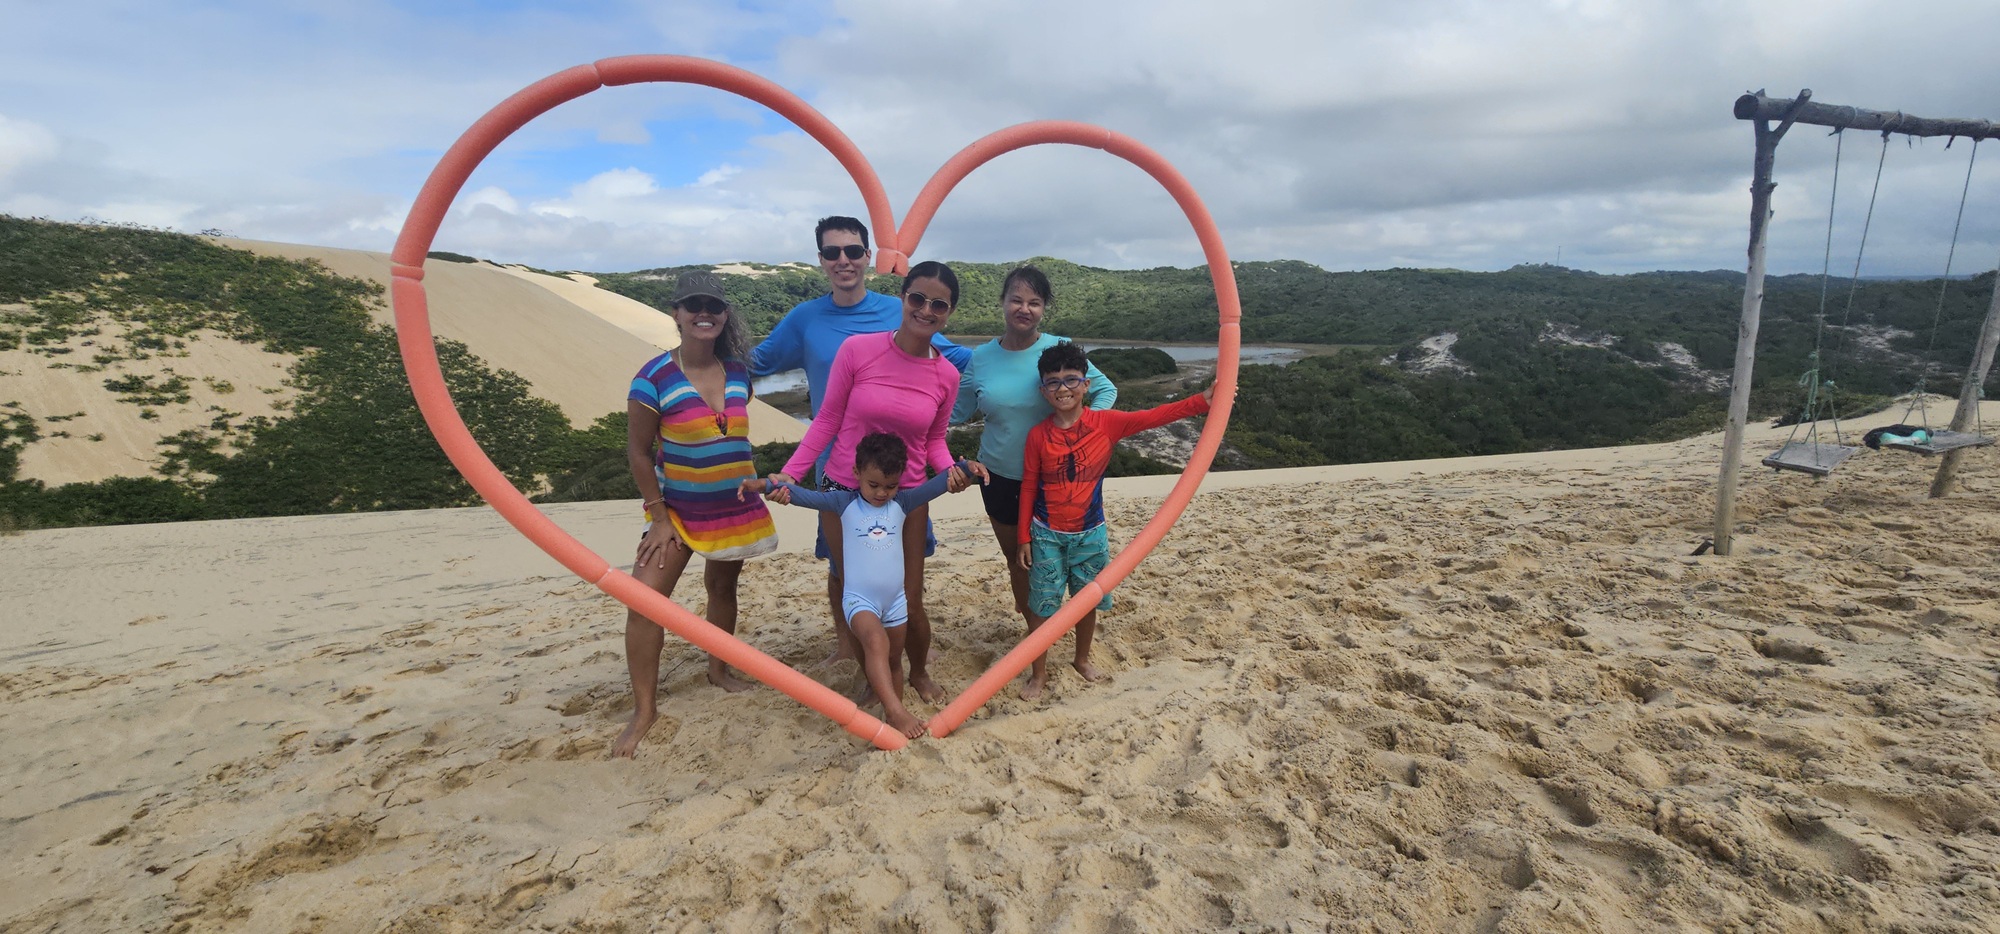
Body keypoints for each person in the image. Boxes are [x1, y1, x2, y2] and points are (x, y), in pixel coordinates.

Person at [749, 216, 971, 667]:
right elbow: (826, 419)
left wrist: (952, 471)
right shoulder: (849, 345)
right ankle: (857, 659)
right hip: (844, 485)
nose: (925, 310)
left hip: (905, 492)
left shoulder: (944, 370)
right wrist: (789, 474)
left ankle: (911, 672)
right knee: (850, 582)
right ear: (903, 297)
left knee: (907, 591)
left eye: (938, 305)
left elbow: (935, 438)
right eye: (917, 299)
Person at [612, 271, 779, 759]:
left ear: (724, 314)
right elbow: (639, 453)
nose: (704, 313)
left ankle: (718, 670)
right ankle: (645, 710)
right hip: (677, 514)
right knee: (645, 603)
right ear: (677, 313)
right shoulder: (652, 377)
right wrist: (658, 515)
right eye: (693, 305)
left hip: (734, 508)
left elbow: (729, 432)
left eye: (713, 306)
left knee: (722, 589)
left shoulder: (738, 372)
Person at [741, 434, 978, 738]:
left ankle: (894, 719)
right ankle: (896, 712)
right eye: (874, 485)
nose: (881, 493)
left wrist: (969, 468)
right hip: (859, 600)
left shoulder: (903, 502)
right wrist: (764, 486)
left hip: (895, 602)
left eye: (890, 486)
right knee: (876, 644)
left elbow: (938, 484)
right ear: (857, 473)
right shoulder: (843, 503)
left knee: (893, 661)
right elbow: (803, 496)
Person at [1016, 340, 1214, 700]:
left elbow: (1155, 415)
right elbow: (1029, 485)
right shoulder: (1037, 435)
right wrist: (1023, 537)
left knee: (1087, 600)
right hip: (1046, 535)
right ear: (1043, 390)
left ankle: (1082, 659)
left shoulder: (1107, 423)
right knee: (1041, 606)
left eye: (1071, 379)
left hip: (1091, 533)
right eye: (1053, 382)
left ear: (1086, 384)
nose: (1063, 388)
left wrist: (1202, 401)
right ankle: (1038, 672)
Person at [951, 265, 1117, 620]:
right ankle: (1035, 633)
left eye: (1034, 302)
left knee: (1060, 560)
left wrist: (1083, 430)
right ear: (1003, 302)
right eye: (1017, 300)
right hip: (998, 476)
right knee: (1018, 561)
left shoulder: (1058, 349)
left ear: (1044, 308)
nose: (1024, 309)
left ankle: (1058, 625)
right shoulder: (980, 358)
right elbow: (955, 412)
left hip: (1054, 478)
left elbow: (1104, 389)